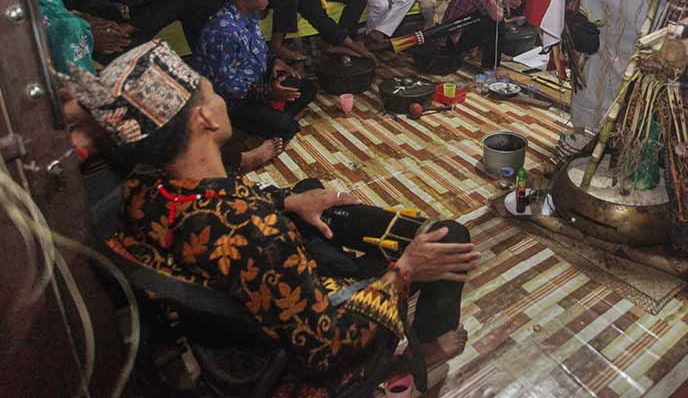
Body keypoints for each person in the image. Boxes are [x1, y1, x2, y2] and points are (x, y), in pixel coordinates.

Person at [65, 40, 476, 392]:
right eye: (213, 93)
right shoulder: (256, 232)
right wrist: (405, 271)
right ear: (205, 119)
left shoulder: (143, 187)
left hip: (240, 314)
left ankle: (343, 245)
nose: (221, 100)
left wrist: (286, 201)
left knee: (308, 187)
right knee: (449, 236)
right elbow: (326, 348)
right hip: (302, 358)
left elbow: (229, 210)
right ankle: (415, 356)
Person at [191, 0, 317, 143]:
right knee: (287, 127)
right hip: (229, 102)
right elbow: (226, 87)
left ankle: (268, 121)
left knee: (308, 88)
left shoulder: (250, 15)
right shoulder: (224, 31)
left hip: (254, 85)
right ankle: (249, 130)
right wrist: (269, 92)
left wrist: (274, 62)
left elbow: (257, 50)